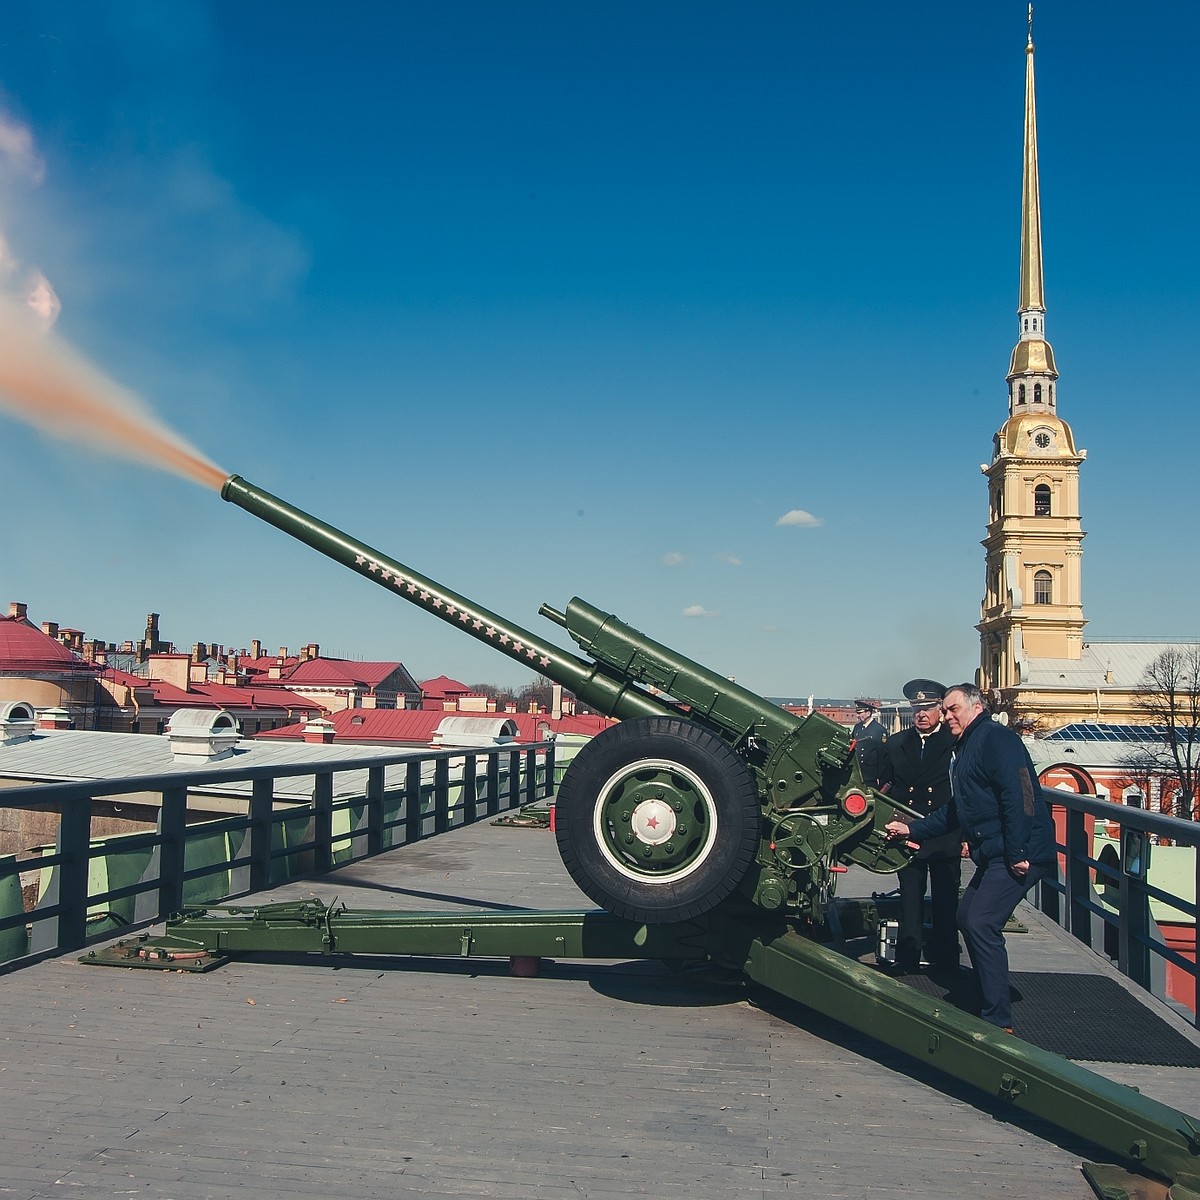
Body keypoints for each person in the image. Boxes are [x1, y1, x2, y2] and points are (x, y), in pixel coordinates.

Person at [884, 682, 1055, 1031]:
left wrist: (1019, 851)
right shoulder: (967, 747)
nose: (946, 716)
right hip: (996, 852)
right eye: (944, 711)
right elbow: (955, 811)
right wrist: (912, 830)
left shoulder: (994, 739)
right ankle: (985, 994)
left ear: (976, 707)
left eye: (952, 709)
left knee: (981, 921)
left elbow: (1019, 792)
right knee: (967, 915)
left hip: (1017, 852)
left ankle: (997, 1019)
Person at [877, 679, 960, 973]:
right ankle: (907, 957)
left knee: (946, 899)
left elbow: (961, 792)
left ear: (940, 709)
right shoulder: (898, 743)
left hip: (943, 831)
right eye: (917, 709)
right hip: (907, 830)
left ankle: (947, 959)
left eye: (927, 708)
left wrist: (964, 836)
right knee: (909, 898)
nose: (922, 714)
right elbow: (886, 785)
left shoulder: (953, 743)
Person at [850, 698, 887, 787]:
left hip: (871, 775)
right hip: (857, 773)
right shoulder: (857, 727)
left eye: (860, 713)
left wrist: (880, 777)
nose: (857, 716)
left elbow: (882, 756)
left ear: (868, 713)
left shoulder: (879, 730)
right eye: (857, 713)